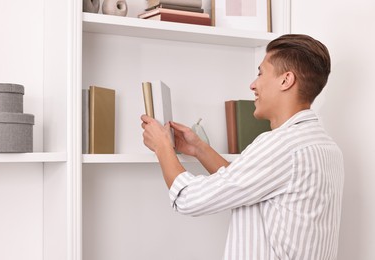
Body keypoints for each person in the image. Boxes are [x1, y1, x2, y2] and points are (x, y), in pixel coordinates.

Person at [140, 34, 344, 260]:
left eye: (260, 73)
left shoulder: (280, 145)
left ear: (286, 80)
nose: (253, 84)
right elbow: (248, 183)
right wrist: (199, 149)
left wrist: (162, 148)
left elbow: (189, 199)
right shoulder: (325, 146)